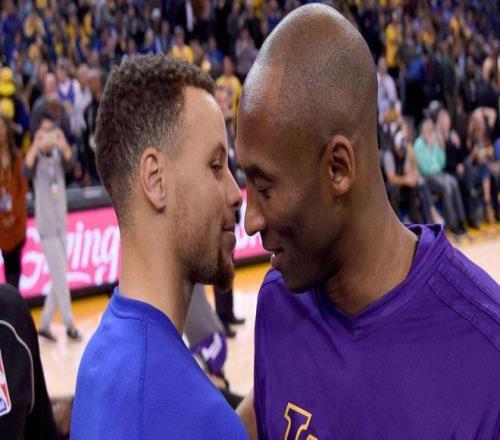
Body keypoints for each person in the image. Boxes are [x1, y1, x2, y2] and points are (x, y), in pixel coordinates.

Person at [235, 5, 500, 439]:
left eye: (264, 188)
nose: (250, 220)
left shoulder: (488, 358)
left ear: (338, 168)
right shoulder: (278, 302)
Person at [71, 55, 247, 439]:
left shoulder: (100, 356)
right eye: (215, 165)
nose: (236, 193)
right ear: (155, 179)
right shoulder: (196, 416)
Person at [24, 112, 81, 342]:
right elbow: (25, 170)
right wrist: (35, 144)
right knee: (61, 278)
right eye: (44, 132)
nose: (48, 137)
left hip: (61, 223)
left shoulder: (58, 154)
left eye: (51, 131)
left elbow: (72, 164)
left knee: (59, 277)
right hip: (46, 227)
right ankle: (70, 325)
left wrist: (62, 142)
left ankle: (45, 324)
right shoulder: (35, 157)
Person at [0, 116, 28, 289]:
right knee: (8, 265)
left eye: (1, 127)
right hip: (1, 223)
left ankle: (14, 296)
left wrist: (14, 215)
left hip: (17, 221)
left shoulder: (17, 156)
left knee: (15, 267)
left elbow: (23, 190)